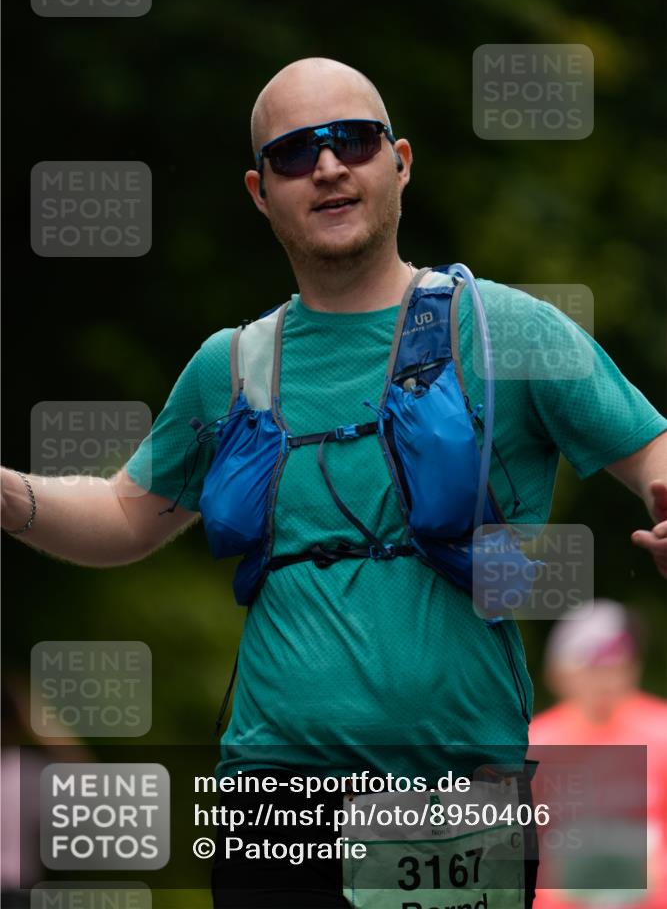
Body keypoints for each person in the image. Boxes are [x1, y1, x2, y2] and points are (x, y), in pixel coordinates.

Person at [2, 58, 666, 909]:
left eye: (352, 140)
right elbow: (124, 517)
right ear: (258, 191)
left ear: (400, 161)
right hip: (270, 804)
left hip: (452, 798)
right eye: (292, 154)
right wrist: (7, 495)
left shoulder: (504, 331)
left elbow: (651, 455)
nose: (326, 167)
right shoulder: (230, 366)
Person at [529, 600, 667, 909]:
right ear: (558, 673)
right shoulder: (535, 746)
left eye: (619, 663)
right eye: (594, 665)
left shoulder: (662, 732)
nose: (608, 678)